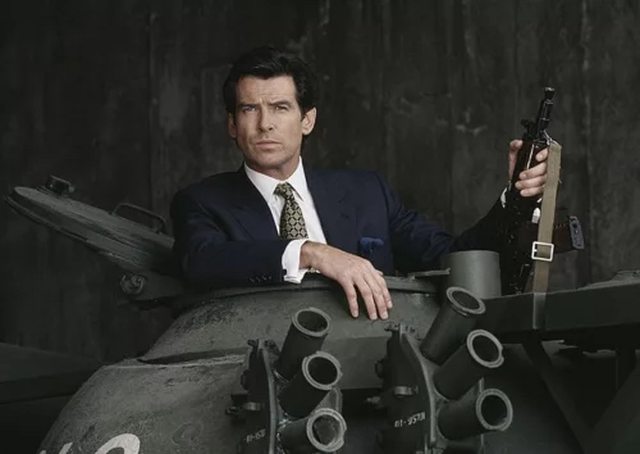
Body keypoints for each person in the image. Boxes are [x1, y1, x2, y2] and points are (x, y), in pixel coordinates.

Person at [170, 46, 548, 321]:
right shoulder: (202, 202)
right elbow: (201, 263)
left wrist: (515, 199)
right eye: (249, 109)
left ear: (307, 120)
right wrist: (312, 252)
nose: (265, 124)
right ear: (232, 124)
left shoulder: (367, 193)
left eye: (280, 108)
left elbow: (452, 256)